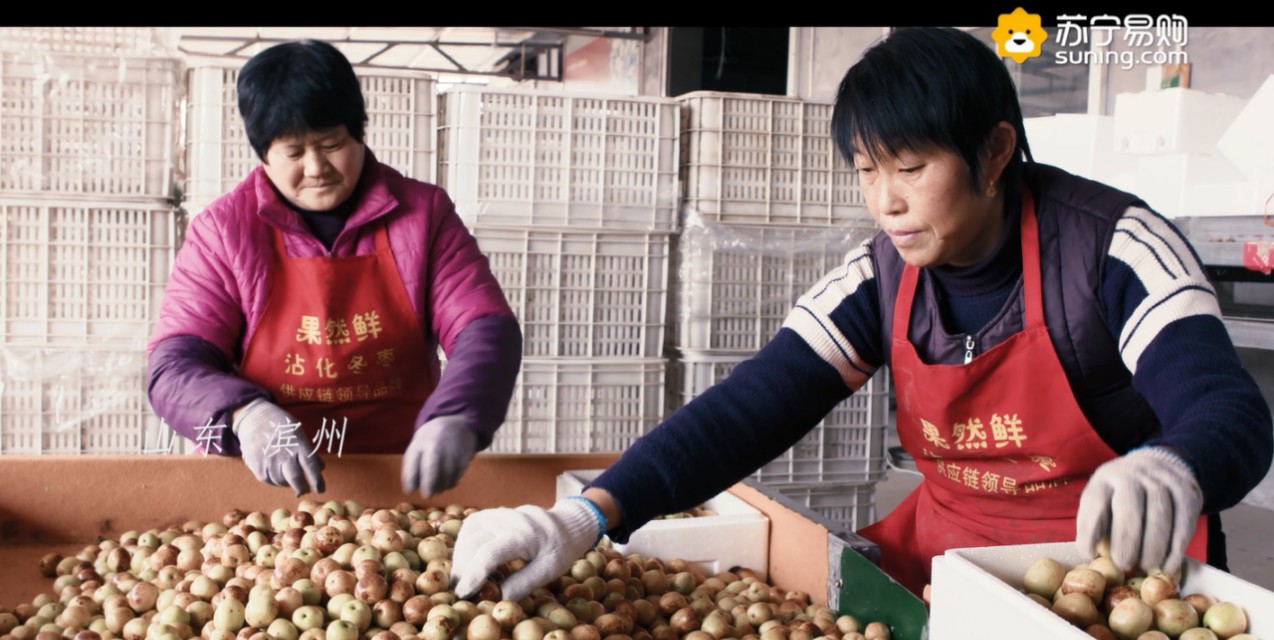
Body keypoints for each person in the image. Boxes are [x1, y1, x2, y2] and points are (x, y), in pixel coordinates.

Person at [449, 27, 1274, 600]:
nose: (886, 202)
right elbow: (751, 406)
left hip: (1108, 567)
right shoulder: (880, 277)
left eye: (911, 167)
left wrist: (1174, 464)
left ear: (993, 153)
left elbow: (1226, 406)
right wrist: (589, 513)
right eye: (867, 170)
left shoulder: (1111, 250)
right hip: (951, 561)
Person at [147, 40, 521, 498]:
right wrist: (245, 416)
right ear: (264, 154)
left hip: (401, 482)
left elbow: (484, 327)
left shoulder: (423, 216)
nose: (317, 167)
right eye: (294, 152)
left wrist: (458, 414)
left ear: (359, 132)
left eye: (331, 144)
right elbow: (173, 365)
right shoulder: (223, 231)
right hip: (263, 487)